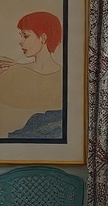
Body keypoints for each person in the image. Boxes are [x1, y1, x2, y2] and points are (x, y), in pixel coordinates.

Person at [0, 11, 63, 139]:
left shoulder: (64, 77)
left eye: (26, 36)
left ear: (43, 38)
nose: (20, 42)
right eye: (21, 36)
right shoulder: (12, 71)